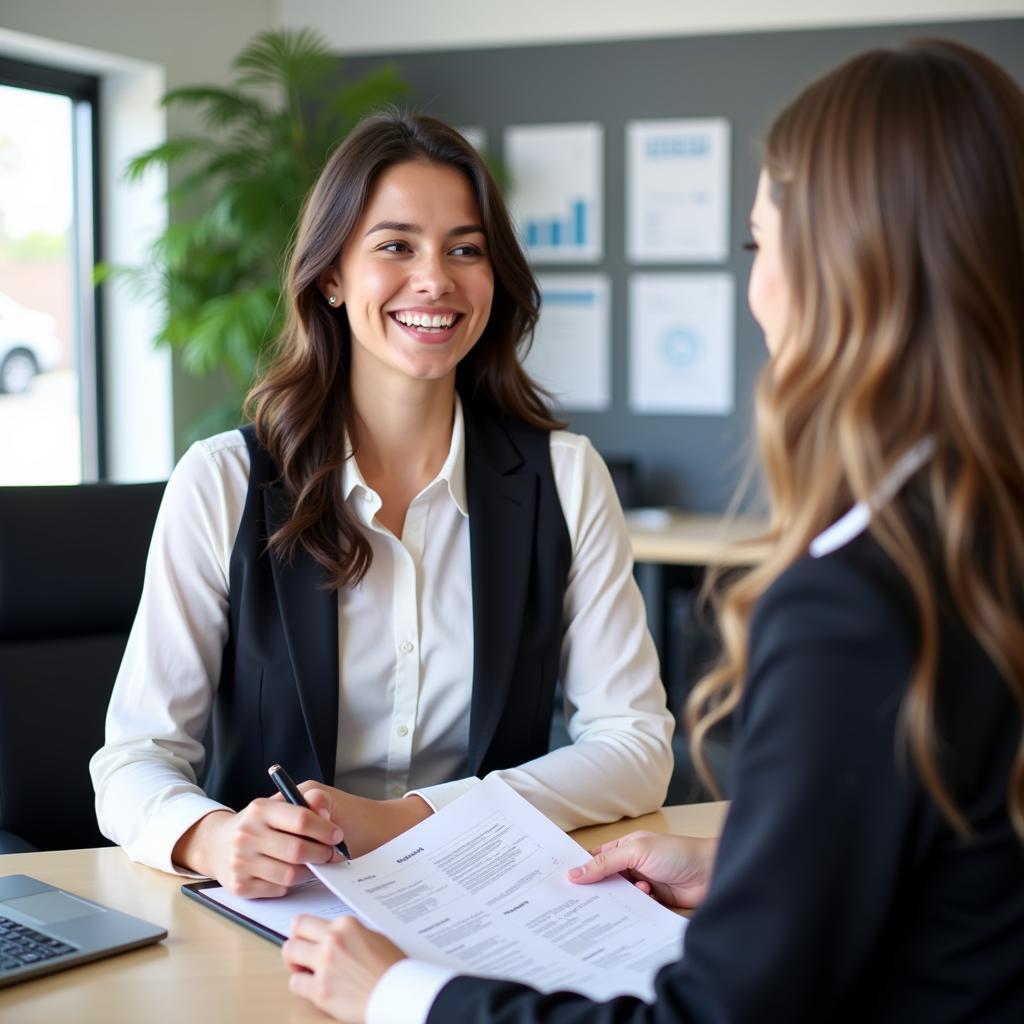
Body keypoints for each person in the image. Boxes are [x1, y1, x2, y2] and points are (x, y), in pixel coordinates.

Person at [280, 39, 1024, 1023]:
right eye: (395, 244)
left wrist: (400, 992)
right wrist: (758, 865)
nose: (755, 290)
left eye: (760, 246)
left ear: (849, 268)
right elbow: (964, 867)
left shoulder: (856, 600)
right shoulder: (980, 537)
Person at [89, 112, 674, 895]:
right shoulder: (224, 480)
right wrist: (210, 837)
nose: (435, 278)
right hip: (283, 909)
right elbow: (133, 759)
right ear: (331, 275)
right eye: (396, 245)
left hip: (491, 899)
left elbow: (636, 744)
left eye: (465, 249)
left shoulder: (564, 478)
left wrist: (420, 818)